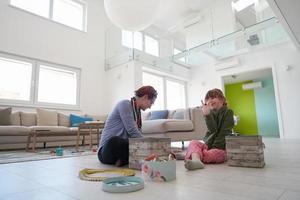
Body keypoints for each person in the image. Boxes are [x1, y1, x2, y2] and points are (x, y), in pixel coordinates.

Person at [98, 86, 157, 167]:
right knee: (115, 141)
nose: (150, 106)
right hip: (106, 151)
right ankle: (125, 159)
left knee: (135, 144)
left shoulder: (137, 113)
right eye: (151, 102)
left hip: (123, 147)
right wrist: (149, 146)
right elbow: (132, 131)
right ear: (145, 97)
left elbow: (138, 135)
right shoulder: (125, 104)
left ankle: (123, 160)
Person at [184, 88, 234, 170]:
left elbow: (223, 133)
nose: (210, 100)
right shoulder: (210, 114)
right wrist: (207, 115)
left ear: (222, 99)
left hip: (220, 147)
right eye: (208, 99)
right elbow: (212, 130)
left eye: (213, 97)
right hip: (208, 146)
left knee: (213, 154)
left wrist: (213, 148)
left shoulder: (228, 112)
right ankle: (196, 160)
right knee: (193, 142)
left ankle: (194, 155)